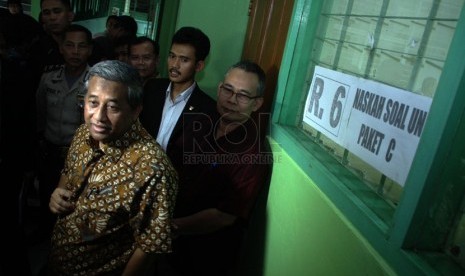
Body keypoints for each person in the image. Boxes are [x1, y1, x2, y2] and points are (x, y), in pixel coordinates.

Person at [47, 60, 178, 275]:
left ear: (136, 111)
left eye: (113, 107)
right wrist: (58, 193)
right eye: (93, 103)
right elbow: (68, 174)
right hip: (58, 260)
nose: (98, 117)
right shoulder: (83, 133)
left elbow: (149, 246)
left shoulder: (153, 169)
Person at [162, 60, 273, 276]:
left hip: (205, 256)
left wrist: (171, 227)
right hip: (169, 244)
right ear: (220, 87)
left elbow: (224, 216)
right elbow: (172, 164)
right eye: (227, 90)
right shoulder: (201, 121)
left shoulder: (252, 154)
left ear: (257, 103)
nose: (231, 100)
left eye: (242, 95)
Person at [35, 24, 93, 240]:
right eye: (69, 45)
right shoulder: (49, 78)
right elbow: (39, 112)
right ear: (61, 48)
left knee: (73, 203)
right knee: (47, 196)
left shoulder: (97, 82)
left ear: (89, 50)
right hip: (49, 151)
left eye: (81, 46)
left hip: (78, 155)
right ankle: (44, 235)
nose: (75, 52)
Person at [139, 26, 216, 168]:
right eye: (172, 56)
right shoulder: (152, 88)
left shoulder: (207, 109)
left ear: (198, 66)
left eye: (184, 60)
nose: (174, 65)